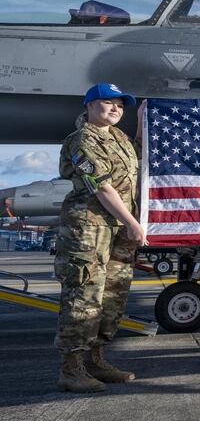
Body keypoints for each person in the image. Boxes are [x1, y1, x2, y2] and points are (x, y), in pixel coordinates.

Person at [54, 83, 147, 393]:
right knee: (84, 295)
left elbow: (138, 161)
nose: (115, 108)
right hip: (89, 228)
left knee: (112, 295)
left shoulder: (120, 139)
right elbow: (102, 187)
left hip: (117, 230)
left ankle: (96, 360)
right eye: (107, 103)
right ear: (90, 106)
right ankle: (72, 368)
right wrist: (133, 222)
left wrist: (146, 121)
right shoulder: (81, 141)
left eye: (120, 105)